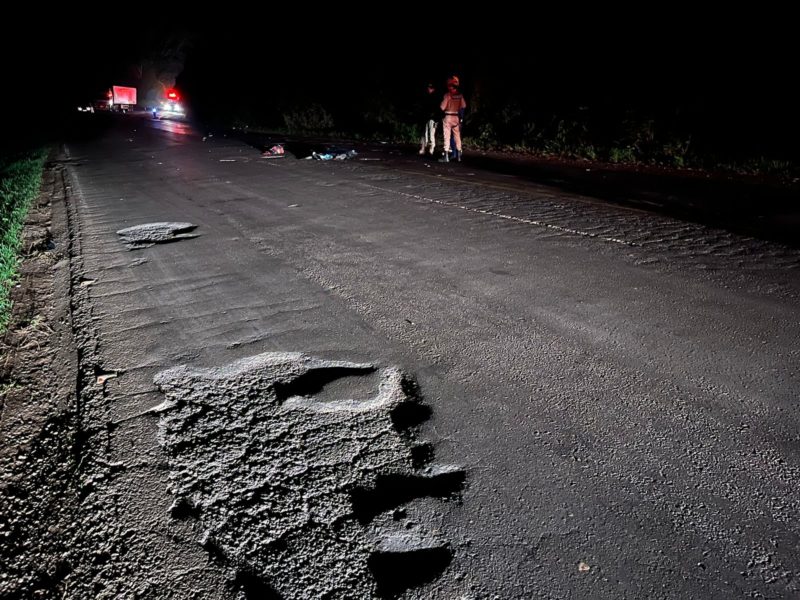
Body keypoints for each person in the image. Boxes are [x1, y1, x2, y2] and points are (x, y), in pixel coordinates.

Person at [440, 76, 467, 162]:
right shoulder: (460, 95)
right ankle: (459, 156)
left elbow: (442, 107)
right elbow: (464, 106)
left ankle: (446, 156)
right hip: (456, 117)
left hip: (448, 117)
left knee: (447, 136)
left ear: (450, 86)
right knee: (457, 136)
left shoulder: (447, 95)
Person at [419, 82, 440, 156]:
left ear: (433, 89)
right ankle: (423, 148)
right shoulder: (425, 96)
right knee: (424, 133)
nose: (429, 89)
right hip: (425, 117)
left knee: (431, 133)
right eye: (428, 88)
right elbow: (423, 107)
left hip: (433, 118)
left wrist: (436, 119)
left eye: (430, 88)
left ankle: (432, 148)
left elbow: (438, 109)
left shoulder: (436, 97)